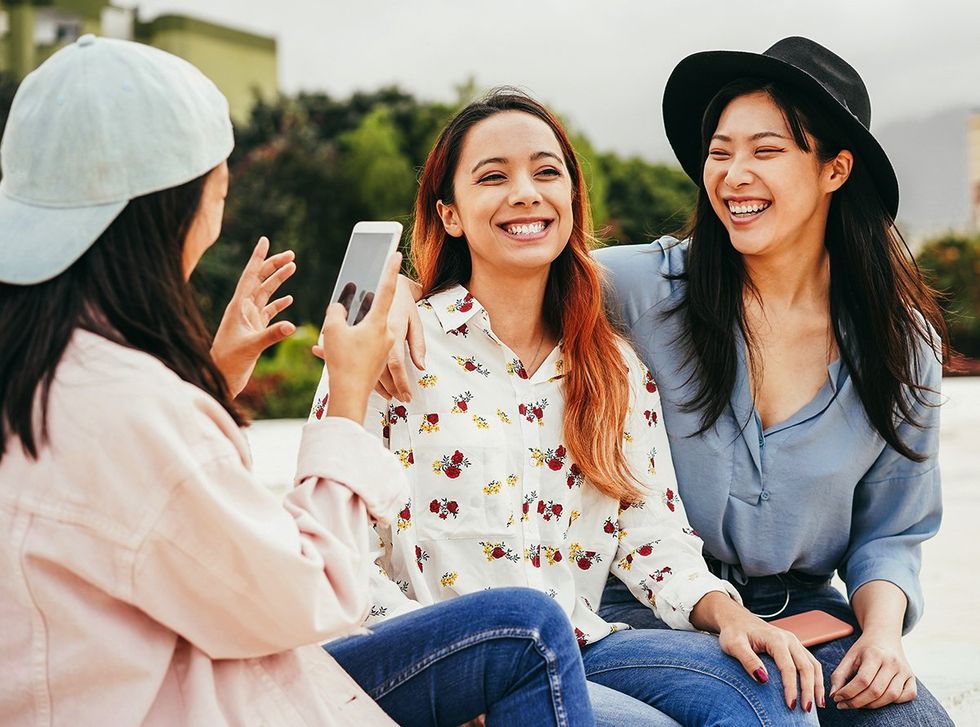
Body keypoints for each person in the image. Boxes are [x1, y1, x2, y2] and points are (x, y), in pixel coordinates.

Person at [0, 37, 596, 726]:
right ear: (179, 211)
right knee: (528, 627)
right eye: (218, 192)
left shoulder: (51, 375)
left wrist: (211, 382)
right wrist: (349, 392)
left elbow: (161, 530)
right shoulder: (127, 406)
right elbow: (310, 592)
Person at [379, 41, 954, 726]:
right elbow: (518, 256)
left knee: (908, 720)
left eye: (765, 152)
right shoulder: (643, 289)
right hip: (639, 611)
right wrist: (390, 291)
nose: (736, 175)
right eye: (720, 152)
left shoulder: (899, 345)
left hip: (804, 612)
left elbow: (893, 530)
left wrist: (883, 638)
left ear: (835, 168)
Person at [315, 88, 826, 726]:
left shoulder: (612, 367)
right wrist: (450, 672)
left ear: (571, 200)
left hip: (585, 642)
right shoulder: (390, 352)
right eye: (493, 177)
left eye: (547, 172)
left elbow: (652, 538)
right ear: (450, 214)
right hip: (440, 658)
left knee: (772, 695)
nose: (526, 192)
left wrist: (732, 616)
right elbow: (340, 553)